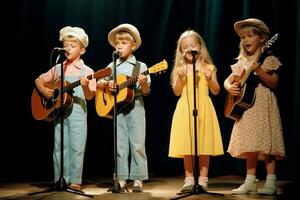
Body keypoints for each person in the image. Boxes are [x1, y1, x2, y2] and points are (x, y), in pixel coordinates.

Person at [224, 18, 286, 195]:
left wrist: (259, 71)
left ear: (263, 39)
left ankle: (271, 182)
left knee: (267, 145)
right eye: (243, 37)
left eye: (250, 36)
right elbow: (226, 82)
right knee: (250, 145)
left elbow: (274, 82)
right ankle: (250, 181)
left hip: (263, 105)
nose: (246, 40)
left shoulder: (268, 58)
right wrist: (231, 87)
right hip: (247, 109)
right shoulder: (241, 62)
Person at [34, 26, 96, 191]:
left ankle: (75, 180)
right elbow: (39, 80)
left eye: (72, 45)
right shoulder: (59, 67)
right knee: (60, 145)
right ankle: (60, 178)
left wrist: (85, 86)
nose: (68, 48)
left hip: (77, 113)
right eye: (66, 45)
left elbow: (90, 96)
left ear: (82, 50)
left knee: (76, 146)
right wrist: (44, 90)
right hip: (59, 112)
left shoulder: (87, 71)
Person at [97, 23, 150, 193]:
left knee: (137, 144)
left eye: (124, 42)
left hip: (136, 108)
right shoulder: (113, 65)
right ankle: (120, 178)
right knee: (119, 145)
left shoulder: (140, 66)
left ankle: (138, 178)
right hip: (118, 109)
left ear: (133, 45)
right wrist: (107, 83)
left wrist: (143, 84)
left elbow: (146, 91)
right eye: (117, 43)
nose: (119, 46)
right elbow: (98, 82)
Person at [168, 30, 224, 192]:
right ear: (181, 51)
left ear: (200, 47)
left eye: (193, 45)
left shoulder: (209, 67)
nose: (189, 49)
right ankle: (189, 179)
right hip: (185, 108)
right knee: (188, 145)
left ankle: (203, 180)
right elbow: (177, 92)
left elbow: (216, 91)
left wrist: (208, 77)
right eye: (185, 47)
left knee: (204, 144)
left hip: (204, 108)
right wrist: (180, 77)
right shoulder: (181, 68)